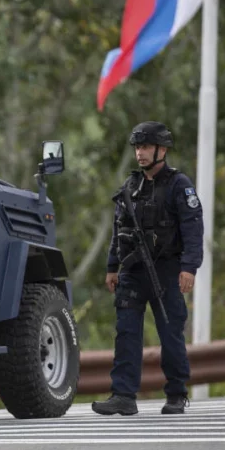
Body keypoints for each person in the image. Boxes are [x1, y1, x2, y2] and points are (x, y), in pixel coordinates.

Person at [92, 122, 203, 416]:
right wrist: (112, 267)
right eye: (137, 148)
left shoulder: (179, 185)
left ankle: (177, 393)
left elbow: (193, 228)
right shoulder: (130, 186)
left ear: (161, 150)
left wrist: (189, 267)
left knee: (170, 331)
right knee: (126, 332)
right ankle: (123, 396)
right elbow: (118, 230)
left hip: (167, 270)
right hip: (132, 271)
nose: (140, 154)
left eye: (145, 147)